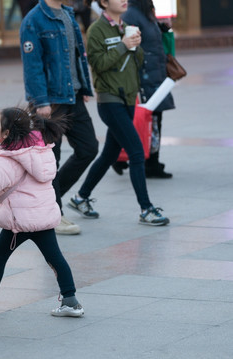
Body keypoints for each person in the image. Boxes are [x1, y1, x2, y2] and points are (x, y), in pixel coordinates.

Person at [0, 107, 85, 317]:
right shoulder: (41, 150)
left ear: (6, 134)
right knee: (56, 259)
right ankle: (70, 300)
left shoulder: (9, 157)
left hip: (19, 222)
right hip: (42, 218)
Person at [69, 0, 169, 226]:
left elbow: (137, 61)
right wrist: (123, 45)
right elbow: (97, 63)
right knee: (135, 151)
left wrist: (136, 45)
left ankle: (80, 197)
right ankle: (146, 209)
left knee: (109, 154)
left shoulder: (125, 26)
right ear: (104, 2)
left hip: (128, 97)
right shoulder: (97, 29)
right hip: (110, 100)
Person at [20, 0, 99, 235]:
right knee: (50, 161)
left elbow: (76, 56)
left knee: (89, 148)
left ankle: (49, 203)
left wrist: (83, 87)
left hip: (72, 95)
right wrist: (40, 101)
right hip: (51, 101)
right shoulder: (33, 20)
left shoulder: (67, 13)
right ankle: (54, 214)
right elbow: (32, 65)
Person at [122, 0, 175, 178]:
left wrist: (161, 28)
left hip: (155, 75)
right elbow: (131, 47)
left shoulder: (145, 12)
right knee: (149, 120)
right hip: (145, 78)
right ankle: (143, 161)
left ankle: (151, 160)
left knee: (155, 120)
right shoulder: (132, 14)